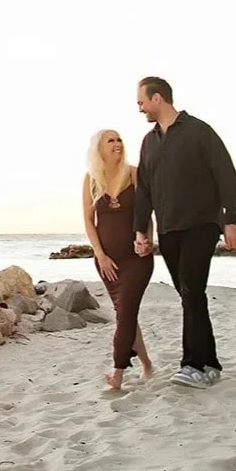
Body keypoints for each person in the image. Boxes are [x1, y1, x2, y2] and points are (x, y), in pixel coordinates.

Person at [131, 76, 236, 390]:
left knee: (192, 292)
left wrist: (231, 219)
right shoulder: (149, 141)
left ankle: (192, 364)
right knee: (190, 296)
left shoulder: (199, 132)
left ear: (157, 99)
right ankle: (210, 362)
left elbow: (225, 174)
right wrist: (141, 230)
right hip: (168, 229)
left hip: (201, 225)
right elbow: (145, 191)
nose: (139, 108)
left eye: (141, 102)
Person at [81, 128, 154, 391]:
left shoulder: (134, 173)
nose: (117, 143)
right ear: (99, 148)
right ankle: (146, 362)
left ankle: (118, 371)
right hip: (107, 261)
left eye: (119, 139)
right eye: (110, 140)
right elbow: (89, 221)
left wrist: (147, 240)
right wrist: (100, 255)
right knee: (126, 314)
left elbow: (147, 213)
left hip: (136, 258)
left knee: (125, 313)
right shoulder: (91, 179)